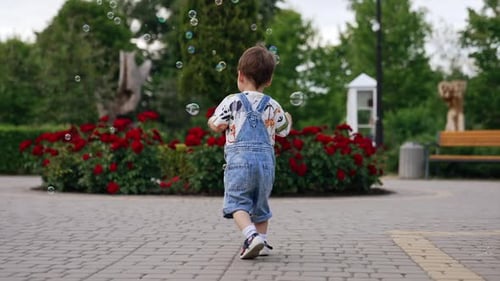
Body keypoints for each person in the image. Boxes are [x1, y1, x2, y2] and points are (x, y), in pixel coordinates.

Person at [207, 45, 292, 259]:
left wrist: (211, 121)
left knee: (237, 202)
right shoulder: (273, 105)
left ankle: (251, 235)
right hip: (265, 164)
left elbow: (217, 125)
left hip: (239, 162)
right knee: (260, 205)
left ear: (240, 75)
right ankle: (261, 241)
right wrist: (288, 118)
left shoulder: (232, 101)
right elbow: (284, 131)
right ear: (269, 80)